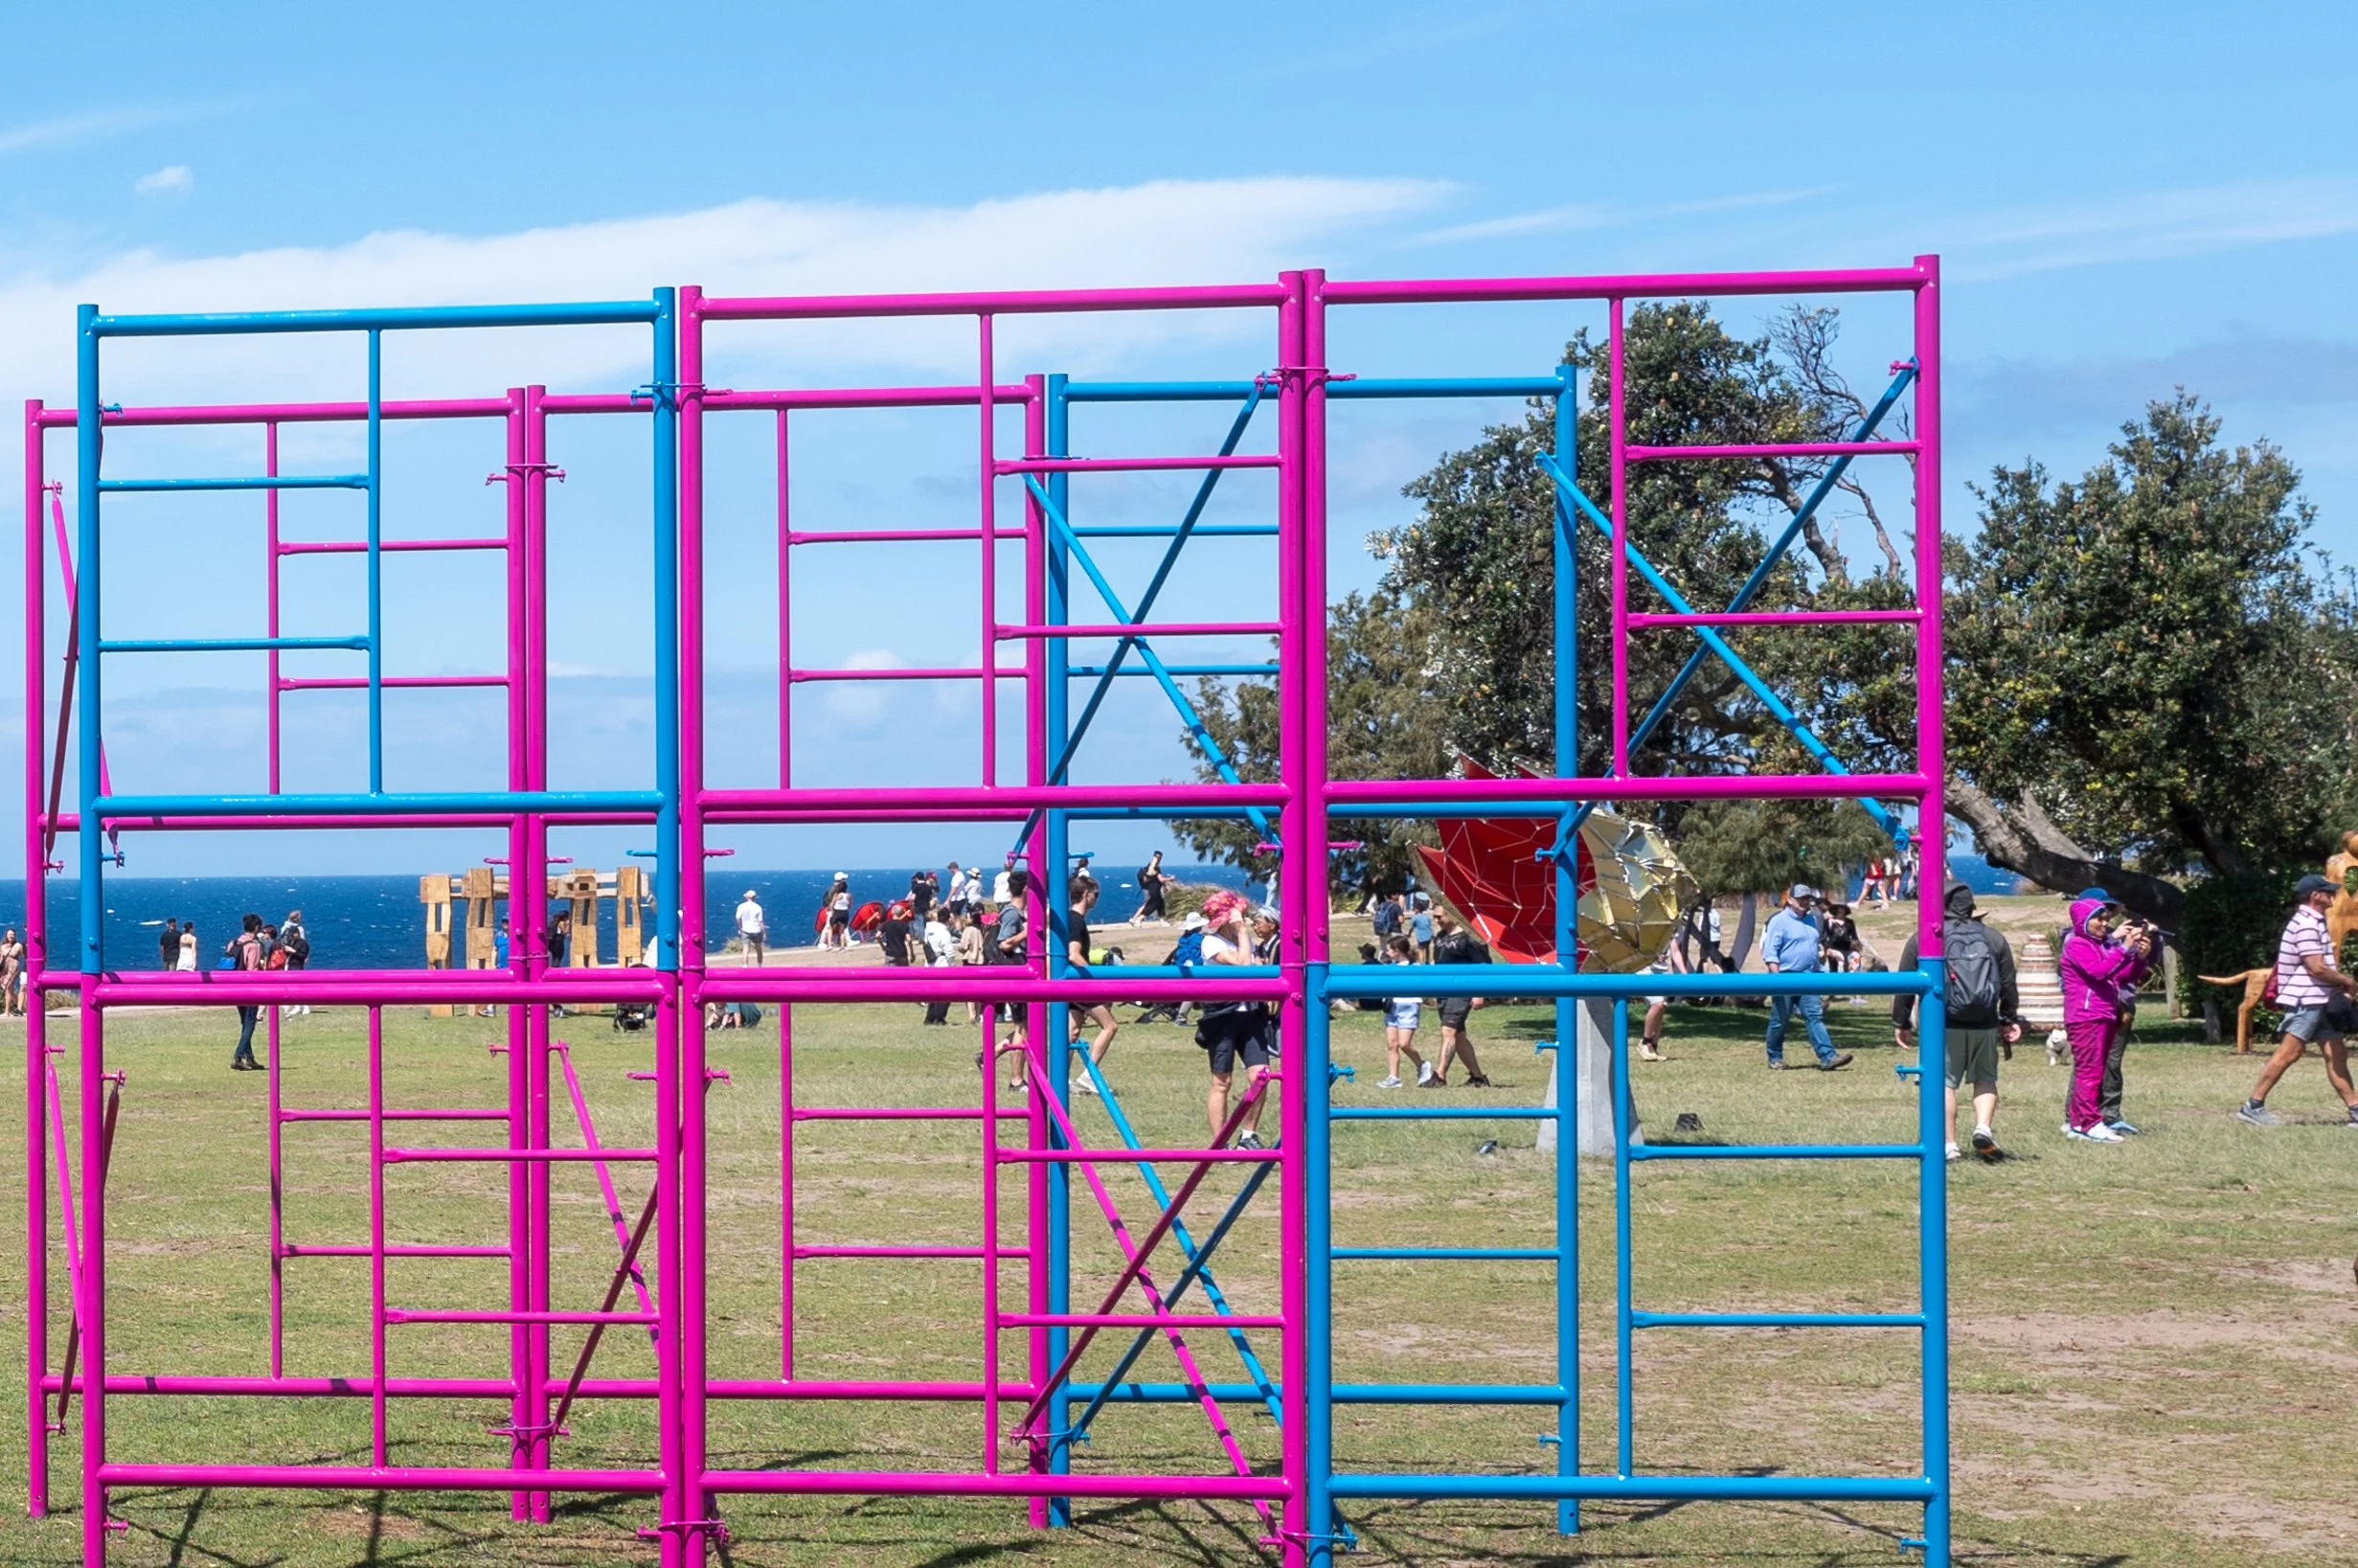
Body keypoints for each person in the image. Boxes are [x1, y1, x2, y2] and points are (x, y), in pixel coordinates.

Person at [1893, 883, 2022, 1162]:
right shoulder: (1993, 938)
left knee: (1944, 1084)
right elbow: (2009, 982)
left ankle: (1950, 1145)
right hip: (1985, 1021)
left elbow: (1905, 984)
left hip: (1942, 1023)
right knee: (1985, 1079)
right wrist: (2009, 1017)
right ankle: (1983, 1127)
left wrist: (1901, 1021)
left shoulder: (1926, 938)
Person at [2236, 874, 2358, 1127]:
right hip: (2306, 1000)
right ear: (2315, 896)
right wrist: (2347, 981)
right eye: (2328, 891)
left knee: (2336, 1054)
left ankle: (2356, 1110)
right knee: (2289, 1053)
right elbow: (2316, 968)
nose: (2333, 895)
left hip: (2319, 999)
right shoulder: (2306, 925)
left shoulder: (2315, 921)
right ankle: (2253, 1106)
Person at [2058, 896, 2153, 1142]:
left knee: (2093, 1070)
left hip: (2103, 1014)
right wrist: (2123, 948)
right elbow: (2098, 972)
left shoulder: (2101, 945)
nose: (2103, 923)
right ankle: (2090, 1123)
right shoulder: (2077, 944)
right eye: (2098, 919)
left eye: (2105, 919)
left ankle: (2078, 1123)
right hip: (2086, 1015)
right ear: (2083, 920)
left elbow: (2122, 975)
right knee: (2089, 1071)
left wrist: (2139, 958)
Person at [1194, 892, 1272, 1148]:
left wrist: (1243, 938)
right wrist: (1241, 931)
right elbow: (1244, 966)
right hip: (1223, 1016)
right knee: (1222, 1081)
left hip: (1250, 1014)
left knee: (1261, 1075)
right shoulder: (1211, 943)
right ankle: (1220, 1143)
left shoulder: (1242, 939)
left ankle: (1248, 1134)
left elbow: (1258, 968)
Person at [1761, 884, 1853, 1071]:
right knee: (1780, 1019)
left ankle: (1828, 1057)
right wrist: (1776, 978)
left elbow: (1813, 947)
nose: (1805, 902)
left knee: (1814, 1015)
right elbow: (1770, 952)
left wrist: (1823, 960)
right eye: (1801, 898)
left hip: (1809, 976)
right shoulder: (1779, 921)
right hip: (1785, 976)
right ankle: (1775, 1057)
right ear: (1790, 900)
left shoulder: (1812, 920)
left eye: (1807, 898)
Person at [1427, 908, 1493, 1087]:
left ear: (1453, 913)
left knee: (1448, 1031)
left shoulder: (1471, 937)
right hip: (1443, 991)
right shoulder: (1440, 936)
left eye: (1439, 916)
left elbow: (1484, 966)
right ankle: (1478, 1077)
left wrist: (1479, 993)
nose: (1436, 920)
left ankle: (1439, 1075)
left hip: (1462, 991)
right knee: (1459, 1035)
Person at [1064, 876, 1119, 1094]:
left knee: (1072, 1032)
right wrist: (1095, 980)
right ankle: (1089, 1075)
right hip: (1080, 982)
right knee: (1110, 1026)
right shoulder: (1076, 920)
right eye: (1096, 894)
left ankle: (1061, 1078)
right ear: (1086, 894)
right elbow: (1074, 955)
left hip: (1071, 983)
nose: (1097, 898)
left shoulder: (1070, 918)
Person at [1377, 933, 1433, 1087]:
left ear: (1397, 950)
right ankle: (1393, 1077)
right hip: (1392, 1007)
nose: (1386, 952)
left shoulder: (1415, 967)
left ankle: (1422, 1064)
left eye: (1389, 950)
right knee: (1391, 1044)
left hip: (1409, 1006)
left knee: (1404, 1044)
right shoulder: (1389, 968)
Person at [1137, 911, 1207, 1025]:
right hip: (1196, 969)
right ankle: (1182, 1017)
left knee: (1197, 993)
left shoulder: (1183, 940)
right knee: (1195, 993)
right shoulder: (1200, 939)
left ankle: (1202, 1015)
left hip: (1181, 970)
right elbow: (1199, 956)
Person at [1637, 939, 1691, 1061]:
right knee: (1658, 1005)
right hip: (1645, 972)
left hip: (1662, 972)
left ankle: (1653, 1048)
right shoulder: (1646, 927)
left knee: (1661, 1009)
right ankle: (1645, 1042)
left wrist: (1684, 973)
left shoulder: (1669, 928)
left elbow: (1675, 951)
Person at [227, 914, 266, 1070]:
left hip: (234, 987)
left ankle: (250, 1058)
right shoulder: (253, 946)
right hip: (249, 989)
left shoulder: (233, 943)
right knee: (250, 1023)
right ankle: (239, 1055)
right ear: (257, 928)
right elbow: (252, 969)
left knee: (245, 1023)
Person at [920, 910, 958, 1026]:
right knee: (946, 992)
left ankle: (930, 1017)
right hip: (943, 963)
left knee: (934, 992)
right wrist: (952, 966)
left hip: (931, 962)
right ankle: (939, 1017)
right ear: (947, 919)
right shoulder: (944, 933)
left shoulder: (929, 929)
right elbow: (949, 951)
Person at [1132, 851, 1168, 925]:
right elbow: (1159, 879)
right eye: (1157, 857)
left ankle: (1162, 920)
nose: (1158, 859)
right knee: (1151, 905)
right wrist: (1170, 879)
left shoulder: (1156, 868)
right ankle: (1139, 918)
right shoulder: (1151, 868)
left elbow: (1160, 879)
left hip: (1155, 889)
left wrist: (1165, 886)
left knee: (1160, 904)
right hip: (1153, 890)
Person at [731, 888, 765, 965]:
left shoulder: (741, 906)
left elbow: (737, 918)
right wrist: (764, 933)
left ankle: (745, 966)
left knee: (745, 949)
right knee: (758, 949)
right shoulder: (758, 907)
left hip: (745, 930)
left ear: (747, 897)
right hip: (756, 930)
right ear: (755, 897)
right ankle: (760, 966)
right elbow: (760, 921)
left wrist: (740, 928)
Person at [878, 900, 915, 967]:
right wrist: (912, 953)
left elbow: (877, 935)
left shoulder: (887, 924)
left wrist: (883, 946)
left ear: (892, 913)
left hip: (890, 953)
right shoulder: (904, 925)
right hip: (902, 953)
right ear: (901, 913)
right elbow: (909, 940)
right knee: (903, 975)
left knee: (890, 976)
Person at [0, 928, 25, 1018]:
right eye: (9, 934)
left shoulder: (18, 945)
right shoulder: (2, 945)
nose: (11, 936)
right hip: (4, 969)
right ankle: (19, 1004)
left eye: (12, 934)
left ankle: (7, 1012)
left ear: (15, 936)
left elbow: (23, 956)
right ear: (6, 935)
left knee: (7, 987)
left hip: (14, 969)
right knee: (8, 989)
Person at [1409, 894, 1435, 965]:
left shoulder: (1415, 917)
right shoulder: (1426, 917)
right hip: (1428, 935)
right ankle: (1427, 961)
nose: (1414, 909)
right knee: (1427, 949)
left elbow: (1411, 927)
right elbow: (1430, 927)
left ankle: (1421, 963)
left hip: (1421, 937)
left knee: (1420, 950)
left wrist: (1409, 934)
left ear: (1417, 909)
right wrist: (1433, 935)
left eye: (1414, 908)